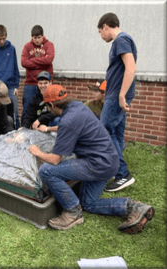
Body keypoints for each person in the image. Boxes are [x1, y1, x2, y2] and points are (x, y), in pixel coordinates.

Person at [28, 84, 154, 233]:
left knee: (47, 170)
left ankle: (73, 212)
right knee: (89, 204)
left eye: (48, 107)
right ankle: (135, 207)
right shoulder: (77, 107)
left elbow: (55, 159)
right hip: (109, 161)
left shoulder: (68, 120)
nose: (48, 110)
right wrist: (48, 129)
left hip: (97, 164)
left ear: (51, 104)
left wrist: (37, 152)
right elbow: (68, 127)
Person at [97, 13, 137, 192]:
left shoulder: (121, 40)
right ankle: (116, 169)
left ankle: (122, 174)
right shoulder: (123, 40)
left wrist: (121, 95)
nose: (101, 35)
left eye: (100, 31)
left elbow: (131, 67)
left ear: (106, 26)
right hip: (114, 94)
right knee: (117, 133)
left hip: (116, 96)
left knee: (104, 130)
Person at [21, 25, 55, 125]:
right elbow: (23, 62)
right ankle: (24, 131)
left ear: (43, 36)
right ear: (32, 37)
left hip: (46, 83)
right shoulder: (27, 46)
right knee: (27, 109)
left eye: (39, 37)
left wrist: (32, 61)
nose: (37, 40)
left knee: (49, 108)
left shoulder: (49, 45)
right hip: (30, 83)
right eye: (35, 38)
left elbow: (49, 59)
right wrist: (42, 62)